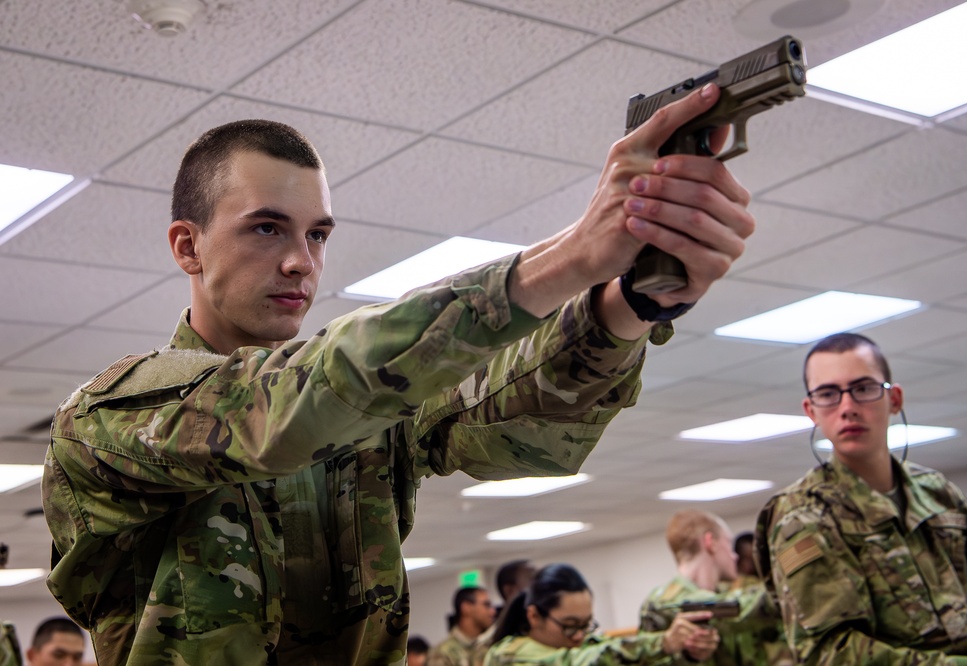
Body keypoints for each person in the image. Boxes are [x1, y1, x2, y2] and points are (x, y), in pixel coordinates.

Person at [43, 81, 754, 665]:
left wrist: (627, 303)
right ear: (187, 247)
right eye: (267, 228)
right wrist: (569, 259)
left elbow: (515, 426)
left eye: (317, 234)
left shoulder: (370, 413)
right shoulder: (109, 422)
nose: (302, 261)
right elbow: (277, 414)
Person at [755, 332, 967, 665]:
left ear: (894, 399)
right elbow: (829, 653)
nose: (847, 408)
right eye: (828, 394)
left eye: (863, 389)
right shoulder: (801, 515)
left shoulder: (939, 494)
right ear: (811, 410)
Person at [484, 562, 717, 665]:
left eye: (586, 624)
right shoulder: (508, 656)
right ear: (534, 616)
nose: (578, 636)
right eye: (570, 625)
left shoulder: (586, 642)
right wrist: (664, 643)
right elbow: (582, 662)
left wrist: (689, 650)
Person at [639, 510, 790, 665]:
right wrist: (791, 582)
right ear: (711, 542)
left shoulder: (722, 594)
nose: (734, 556)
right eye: (728, 544)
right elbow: (744, 609)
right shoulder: (665, 601)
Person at [429, 587, 495, 666]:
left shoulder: (490, 645)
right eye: (486, 605)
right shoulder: (443, 654)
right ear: (466, 608)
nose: (492, 612)